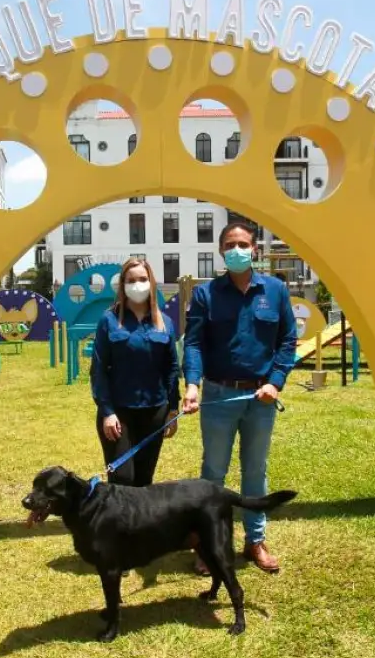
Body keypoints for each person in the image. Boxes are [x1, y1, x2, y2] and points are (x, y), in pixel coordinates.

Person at [181, 222, 298, 574]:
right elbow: (194, 343)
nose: (237, 249)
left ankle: (255, 542)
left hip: (261, 398)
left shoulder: (276, 291)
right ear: (221, 252)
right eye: (230, 244)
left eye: (243, 244)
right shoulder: (206, 295)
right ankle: (208, 545)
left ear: (255, 250)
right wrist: (192, 385)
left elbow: (287, 340)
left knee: (255, 472)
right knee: (212, 474)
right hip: (218, 395)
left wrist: (276, 382)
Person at [90, 257, 181, 488]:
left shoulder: (165, 323)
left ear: (151, 282)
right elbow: (98, 369)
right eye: (131, 280)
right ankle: (118, 525)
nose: (137, 285)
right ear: (122, 285)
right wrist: (107, 411)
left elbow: (171, 368)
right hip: (118, 414)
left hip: (154, 412)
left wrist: (172, 409)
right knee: (122, 479)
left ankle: (141, 525)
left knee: (143, 480)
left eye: (142, 279)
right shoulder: (108, 320)